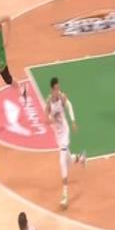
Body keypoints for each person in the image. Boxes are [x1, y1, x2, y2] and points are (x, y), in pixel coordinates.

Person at [46, 77, 86, 209]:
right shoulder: (49, 101)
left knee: (62, 161)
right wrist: (50, 119)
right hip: (58, 136)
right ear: (52, 89)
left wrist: (73, 121)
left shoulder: (62, 98)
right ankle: (81, 158)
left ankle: (64, 196)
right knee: (68, 159)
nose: (58, 90)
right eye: (56, 89)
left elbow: (70, 105)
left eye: (59, 88)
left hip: (65, 133)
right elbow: (45, 118)